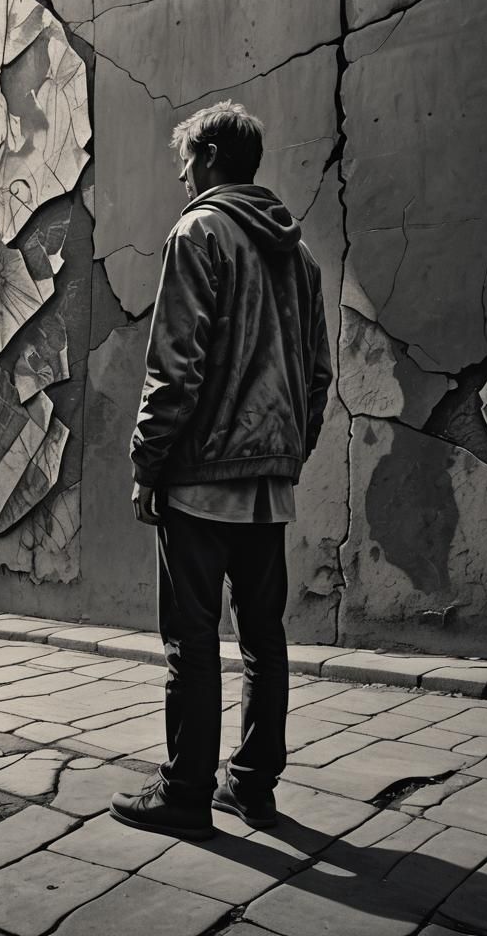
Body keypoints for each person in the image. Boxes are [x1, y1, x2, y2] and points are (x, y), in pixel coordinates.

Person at [109, 101, 333, 841]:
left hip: (201, 480)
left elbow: (174, 368)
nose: (179, 174)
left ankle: (184, 794)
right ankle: (253, 788)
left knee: (193, 640)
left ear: (207, 156)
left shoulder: (198, 232)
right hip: (269, 487)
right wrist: (287, 456)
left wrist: (148, 463)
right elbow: (318, 377)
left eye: (183, 160)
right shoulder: (298, 255)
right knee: (265, 640)